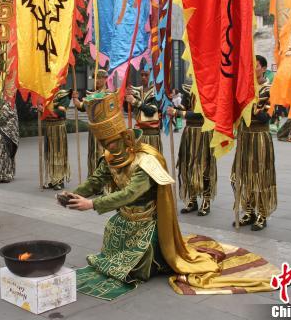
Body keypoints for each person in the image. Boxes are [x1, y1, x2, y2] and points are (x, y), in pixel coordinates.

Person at [59, 91, 278, 299]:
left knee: (136, 265)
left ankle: (158, 257)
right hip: (124, 218)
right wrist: (73, 193)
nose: (107, 147)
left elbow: (130, 193)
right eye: (103, 143)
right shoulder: (110, 157)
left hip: (147, 223)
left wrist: (92, 204)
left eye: (111, 142)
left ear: (125, 137)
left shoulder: (145, 161)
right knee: (113, 230)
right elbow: (96, 180)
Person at [231, 55, 277, 231]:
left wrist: (250, 105)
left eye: (256, 66)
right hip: (244, 136)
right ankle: (249, 211)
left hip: (260, 137)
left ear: (264, 68)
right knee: (241, 175)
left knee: (260, 177)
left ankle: (262, 214)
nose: (252, 69)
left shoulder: (270, 89)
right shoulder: (245, 88)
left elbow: (267, 116)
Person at [167, 83, 217, 216]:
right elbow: (185, 107)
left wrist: (178, 112)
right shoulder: (189, 88)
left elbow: (201, 114)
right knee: (188, 166)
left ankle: (206, 201)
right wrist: (173, 106)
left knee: (204, 167)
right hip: (189, 133)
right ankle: (193, 200)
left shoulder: (210, 88)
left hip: (204, 132)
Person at [72, 69, 108, 177]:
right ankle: (93, 177)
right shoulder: (94, 94)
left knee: (101, 154)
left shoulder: (107, 94)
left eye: (100, 78)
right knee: (93, 154)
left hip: (103, 130)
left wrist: (83, 101)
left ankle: (102, 180)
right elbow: (82, 107)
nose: (97, 81)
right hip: (93, 129)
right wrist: (75, 99)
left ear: (105, 79)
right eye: (95, 78)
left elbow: (87, 104)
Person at [40, 87, 71, 190]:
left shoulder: (63, 94)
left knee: (58, 154)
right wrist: (40, 108)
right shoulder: (45, 93)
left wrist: (45, 110)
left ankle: (60, 180)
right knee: (49, 154)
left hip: (58, 128)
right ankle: (53, 180)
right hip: (48, 128)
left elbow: (61, 111)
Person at [125, 69, 162, 152]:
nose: (143, 77)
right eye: (141, 75)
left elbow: (151, 111)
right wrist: (126, 98)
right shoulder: (136, 91)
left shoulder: (157, 92)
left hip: (152, 135)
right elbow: (127, 110)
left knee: (153, 161)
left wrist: (134, 101)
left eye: (146, 75)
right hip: (139, 134)